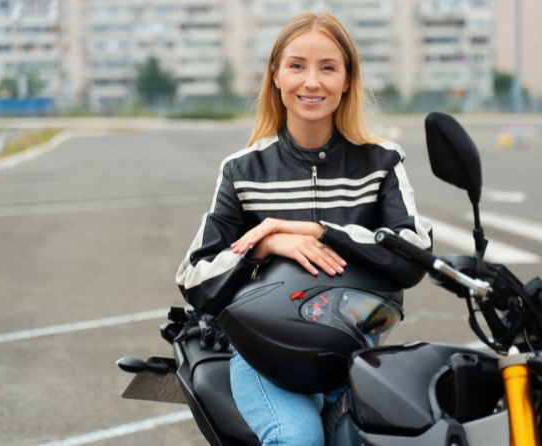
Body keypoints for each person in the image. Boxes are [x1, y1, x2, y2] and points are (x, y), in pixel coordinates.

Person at [175, 11, 432, 446]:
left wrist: (320, 232)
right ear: (275, 76)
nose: (311, 82)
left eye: (328, 67)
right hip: (264, 357)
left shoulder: (381, 162)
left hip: (355, 352)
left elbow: (411, 253)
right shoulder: (242, 170)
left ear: (348, 79)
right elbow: (193, 275)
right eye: (296, 66)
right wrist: (264, 245)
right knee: (299, 437)